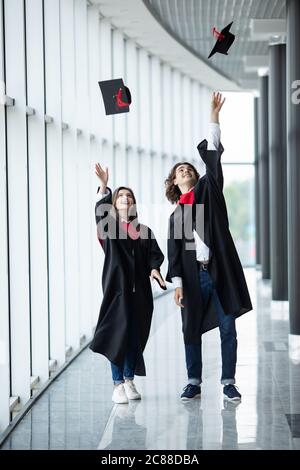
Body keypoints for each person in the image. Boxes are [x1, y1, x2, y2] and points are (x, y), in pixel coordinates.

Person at [165, 92, 252, 402]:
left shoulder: (207, 192)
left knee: (228, 328)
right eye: (180, 171)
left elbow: (213, 160)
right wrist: (177, 284)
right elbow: (175, 252)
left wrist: (214, 119)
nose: (186, 171)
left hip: (219, 271)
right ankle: (193, 382)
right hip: (192, 277)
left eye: (189, 168)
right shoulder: (177, 215)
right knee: (191, 330)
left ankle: (228, 382)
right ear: (174, 183)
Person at [90, 163, 165, 404]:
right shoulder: (109, 228)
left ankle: (129, 378)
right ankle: (118, 384)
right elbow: (100, 211)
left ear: (133, 204)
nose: (124, 198)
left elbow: (154, 254)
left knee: (135, 335)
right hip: (117, 291)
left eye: (128, 196)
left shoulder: (143, 231)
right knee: (117, 335)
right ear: (114, 203)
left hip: (141, 292)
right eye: (120, 195)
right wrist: (104, 186)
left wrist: (154, 269)